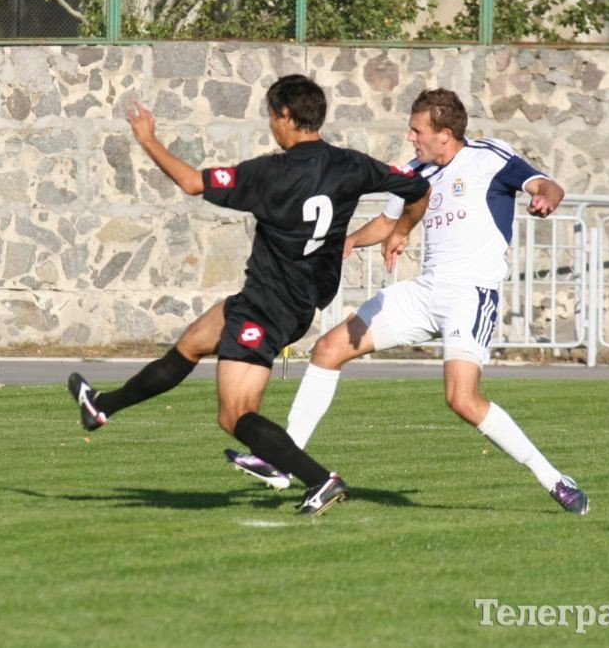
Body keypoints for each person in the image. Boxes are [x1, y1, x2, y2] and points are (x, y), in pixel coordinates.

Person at [67, 74, 430, 516]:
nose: (270, 125)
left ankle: (321, 479)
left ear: (286, 117)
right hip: (294, 303)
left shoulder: (269, 174)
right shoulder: (351, 164)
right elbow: (417, 188)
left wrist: (149, 140)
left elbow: (191, 182)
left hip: (267, 305)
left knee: (234, 415)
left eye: (271, 116)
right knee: (193, 342)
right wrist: (402, 231)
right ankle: (101, 407)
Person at [226, 87, 590, 516]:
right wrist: (343, 243)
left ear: (446, 133)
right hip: (424, 292)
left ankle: (553, 478)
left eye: (418, 130)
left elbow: (547, 183)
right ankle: (281, 462)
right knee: (328, 350)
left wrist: (547, 197)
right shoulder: (416, 172)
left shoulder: (489, 157)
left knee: (463, 400)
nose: (411, 138)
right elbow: (386, 222)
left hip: (469, 295)